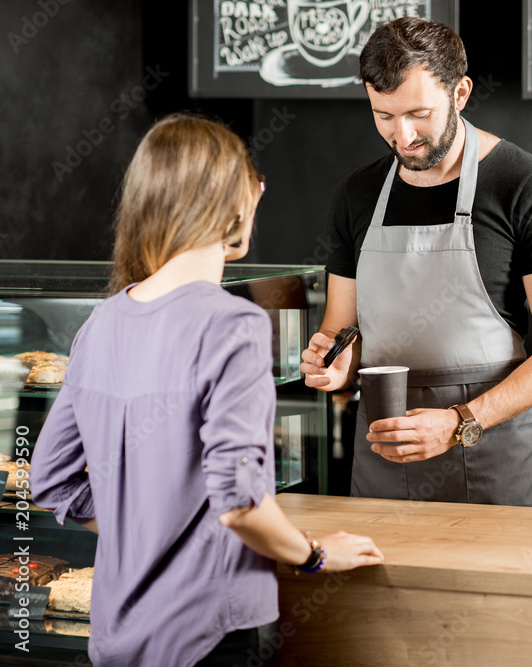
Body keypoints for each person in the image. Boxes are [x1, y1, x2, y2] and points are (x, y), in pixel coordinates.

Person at [30, 114, 384, 667]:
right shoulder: (232, 327)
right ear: (231, 206)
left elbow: (51, 482)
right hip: (207, 634)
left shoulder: (99, 324)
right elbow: (240, 504)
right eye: (254, 185)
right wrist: (313, 556)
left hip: (114, 634)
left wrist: (142, 525)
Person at [299, 18, 532, 508]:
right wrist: (334, 366)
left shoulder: (523, 186)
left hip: (494, 455)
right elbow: (341, 331)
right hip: (383, 454)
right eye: (383, 116)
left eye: (418, 114)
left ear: (461, 93)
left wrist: (458, 423)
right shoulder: (357, 195)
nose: (402, 135)